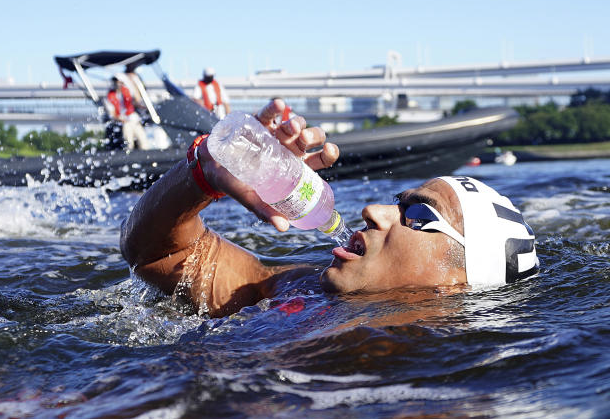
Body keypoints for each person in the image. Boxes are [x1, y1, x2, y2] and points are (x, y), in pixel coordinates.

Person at [120, 99, 538, 318]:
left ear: (458, 283)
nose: (375, 210)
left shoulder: (420, 382)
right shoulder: (297, 289)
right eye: (399, 203)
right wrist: (203, 173)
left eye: (420, 217)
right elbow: (156, 254)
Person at [104, 77, 148, 150]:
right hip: (124, 121)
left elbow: (135, 101)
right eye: (117, 82)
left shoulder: (127, 91)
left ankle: (146, 154)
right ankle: (129, 153)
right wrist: (120, 119)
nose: (119, 84)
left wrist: (141, 106)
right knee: (129, 141)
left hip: (133, 119)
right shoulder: (109, 97)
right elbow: (112, 113)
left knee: (142, 139)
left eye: (120, 82)